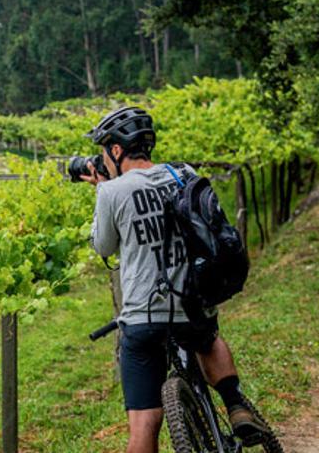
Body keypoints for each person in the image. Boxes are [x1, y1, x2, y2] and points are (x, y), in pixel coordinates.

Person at [81, 106, 270, 452]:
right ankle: (235, 404)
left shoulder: (112, 191)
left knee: (143, 425)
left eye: (105, 150)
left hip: (142, 317)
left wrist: (101, 191)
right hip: (191, 303)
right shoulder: (183, 172)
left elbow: (103, 245)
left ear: (117, 150)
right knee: (207, 338)